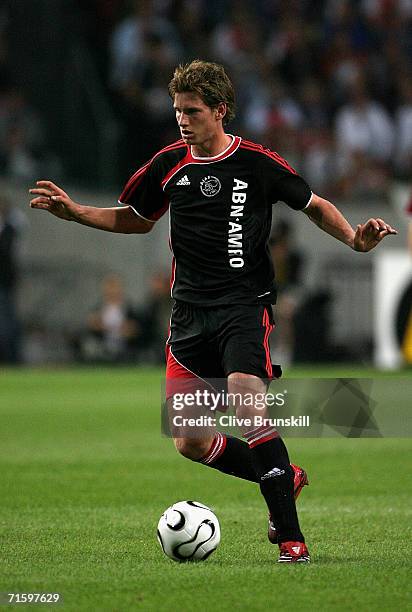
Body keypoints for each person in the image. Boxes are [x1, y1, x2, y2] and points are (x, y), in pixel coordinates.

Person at [29, 60, 397, 563]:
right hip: (188, 317)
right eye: (178, 110)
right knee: (190, 441)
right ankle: (285, 477)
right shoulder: (167, 164)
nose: (182, 120)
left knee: (249, 405)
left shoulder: (258, 163)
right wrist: (76, 213)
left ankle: (292, 540)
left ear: (220, 110)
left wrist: (355, 238)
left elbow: (313, 203)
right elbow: (135, 220)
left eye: (193, 111)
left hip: (244, 308)